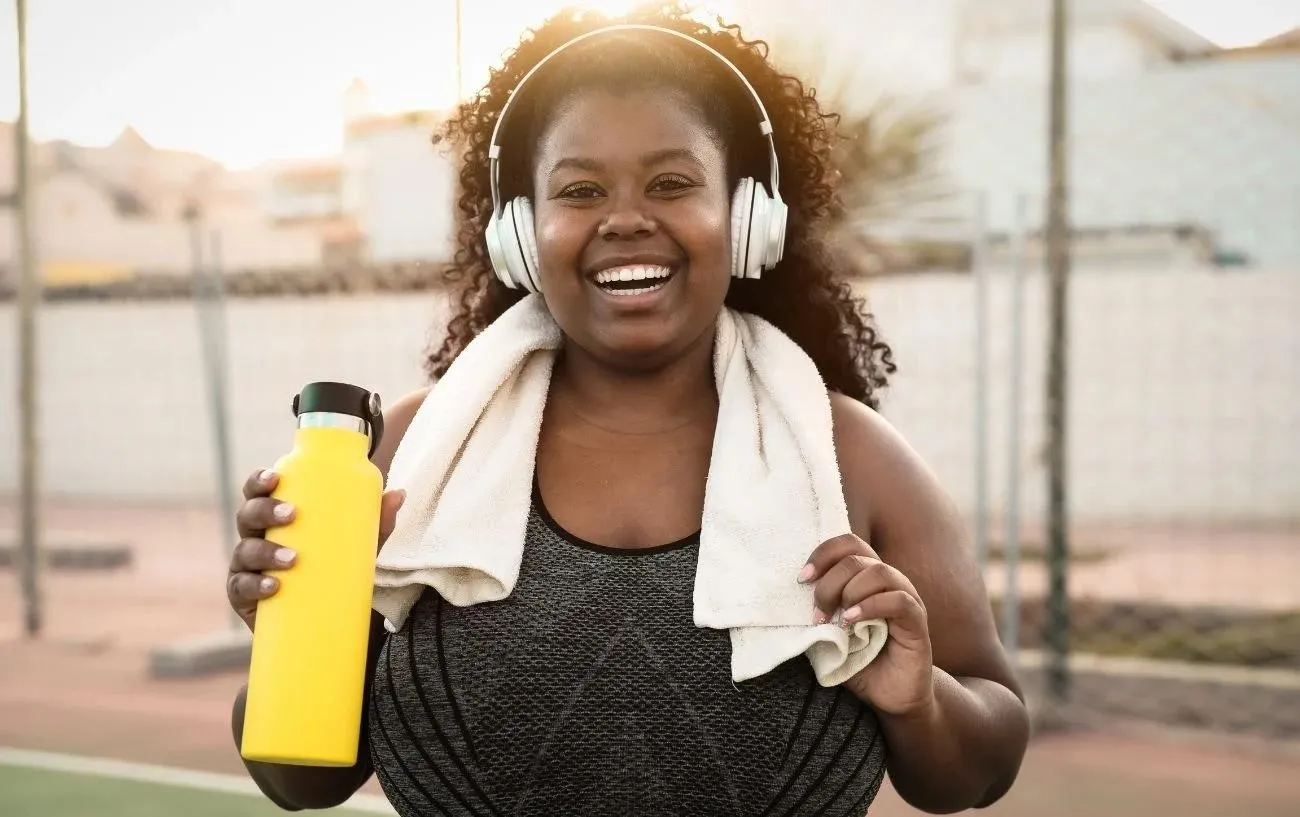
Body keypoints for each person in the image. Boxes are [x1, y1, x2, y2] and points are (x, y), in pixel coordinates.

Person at [227, 4, 1030, 815]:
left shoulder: (853, 458)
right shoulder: (406, 455)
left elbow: (982, 766)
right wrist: (290, 636)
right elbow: (305, 781)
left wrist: (920, 697)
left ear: (750, 217)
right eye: (579, 190)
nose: (625, 219)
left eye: (673, 183)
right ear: (519, 233)